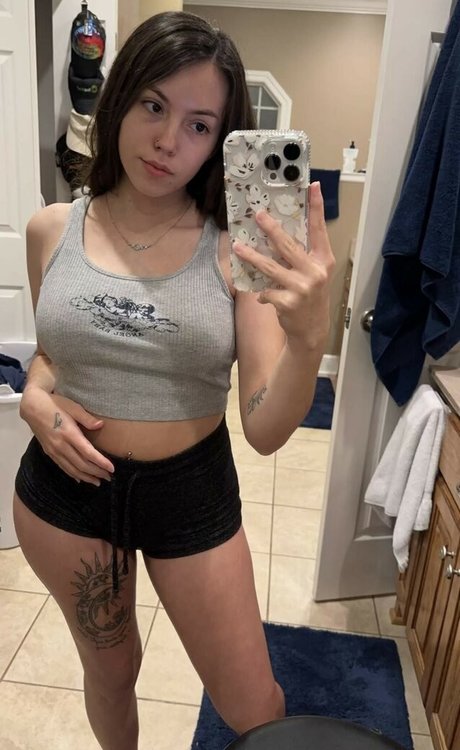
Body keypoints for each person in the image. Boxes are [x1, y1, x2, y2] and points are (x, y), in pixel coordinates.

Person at [13, 10, 335, 750]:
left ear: (221, 142)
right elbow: (55, 355)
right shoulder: (50, 229)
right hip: (66, 492)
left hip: (190, 494)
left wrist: (310, 337)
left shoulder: (239, 253)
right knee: (111, 673)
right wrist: (34, 396)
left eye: (199, 125)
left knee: (257, 703)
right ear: (120, 97)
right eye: (154, 105)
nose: (167, 141)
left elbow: (264, 427)